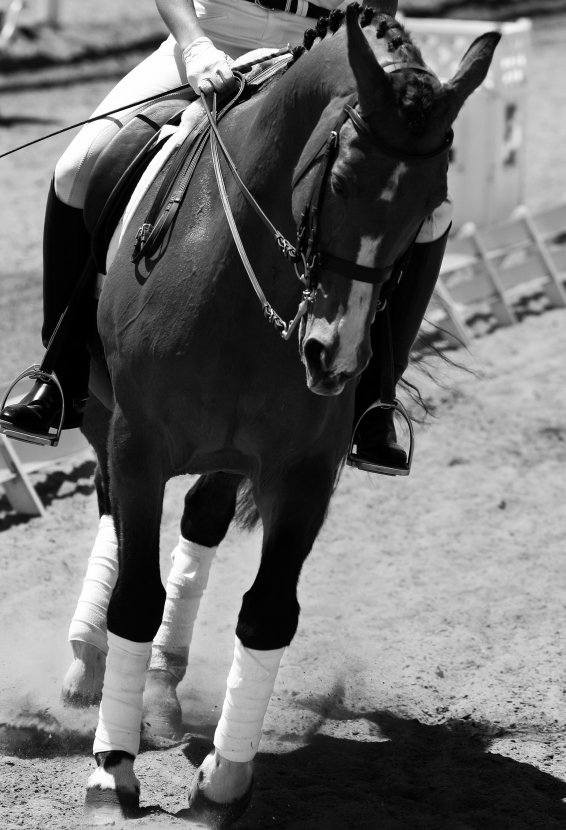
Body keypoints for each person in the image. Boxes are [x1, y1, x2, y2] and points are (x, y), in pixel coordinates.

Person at [0, 0, 452, 475]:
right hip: (214, 33)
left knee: (433, 210)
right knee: (76, 167)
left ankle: (374, 401)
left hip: (318, 51)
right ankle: (60, 373)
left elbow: (379, 10)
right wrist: (194, 47)